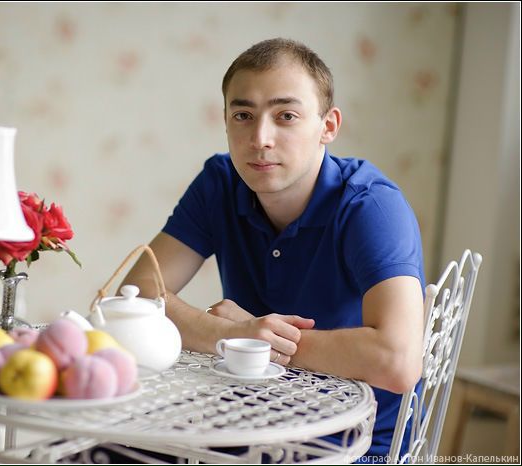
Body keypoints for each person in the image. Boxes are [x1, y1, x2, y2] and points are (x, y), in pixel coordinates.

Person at [120, 37, 425, 462]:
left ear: (328, 126)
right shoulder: (219, 183)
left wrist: (257, 342)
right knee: (98, 450)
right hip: (242, 424)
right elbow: (134, 296)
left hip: (352, 443)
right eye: (243, 115)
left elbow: (398, 361)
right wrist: (229, 335)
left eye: (286, 116)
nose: (260, 138)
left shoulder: (370, 206)